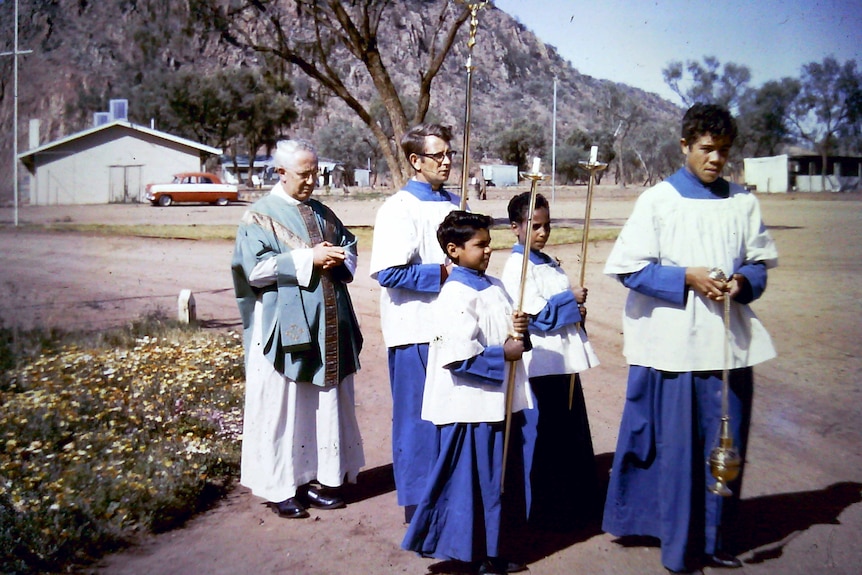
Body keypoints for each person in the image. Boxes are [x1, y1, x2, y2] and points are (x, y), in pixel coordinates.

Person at [601, 103, 778, 574]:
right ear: (684, 146)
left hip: (727, 345)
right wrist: (686, 277)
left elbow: (758, 264)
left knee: (725, 444)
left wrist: (741, 284)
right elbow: (630, 268)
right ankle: (680, 549)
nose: (716, 159)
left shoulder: (743, 202)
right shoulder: (657, 201)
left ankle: (718, 539)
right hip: (671, 347)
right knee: (679, 452)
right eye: (706, 149)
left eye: (723, 150)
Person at [231, 139, 365, 520]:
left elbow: (349, 245)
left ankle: (311, 480)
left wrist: (341, 257)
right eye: (303, 174)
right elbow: (253, 271)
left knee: (316, 406)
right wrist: (309, 257)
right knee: (283, 407)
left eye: (315, 173)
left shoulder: (323, 212)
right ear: (280, 172)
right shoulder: (258, 216)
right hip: (282, 327)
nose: (311, 181)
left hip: (326, 325)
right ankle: (279, 487)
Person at [402, 210, 532, 575]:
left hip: (498, 402)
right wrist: (502, 354)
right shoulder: (453, 295)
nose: (488, 250)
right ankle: (470, 553)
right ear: (453, 250)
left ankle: (496, 549)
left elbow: (509, 333)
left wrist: (520, 327)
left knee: (499, 481)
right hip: (469, 406)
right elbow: (458, 357)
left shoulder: (496, 285)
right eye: (480, 245)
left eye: (489, 243)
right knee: (472, 484)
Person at [368, 123, 462, 522]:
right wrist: (441, 274)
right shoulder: (397, 209)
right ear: (415, 160)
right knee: (418, 422)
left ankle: (455, 499)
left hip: (455, 328)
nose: (446, 161)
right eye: (437, 155)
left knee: (456, 416)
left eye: (449, 154)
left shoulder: (457, 202)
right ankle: (420, 508)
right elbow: (388, 272)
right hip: (415, 331)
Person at [500, 191, 601, 531]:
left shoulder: (548, 261)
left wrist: (578, 310)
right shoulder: (518, 265)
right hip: (540, 363)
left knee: (567, 434)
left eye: (547, 226)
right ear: (516, 227)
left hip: (563, 362)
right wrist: (570, 300)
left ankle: (571, 505)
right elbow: (534, 314)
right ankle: (539, 513)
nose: (543, 233)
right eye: (536, 226)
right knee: (542, 436)